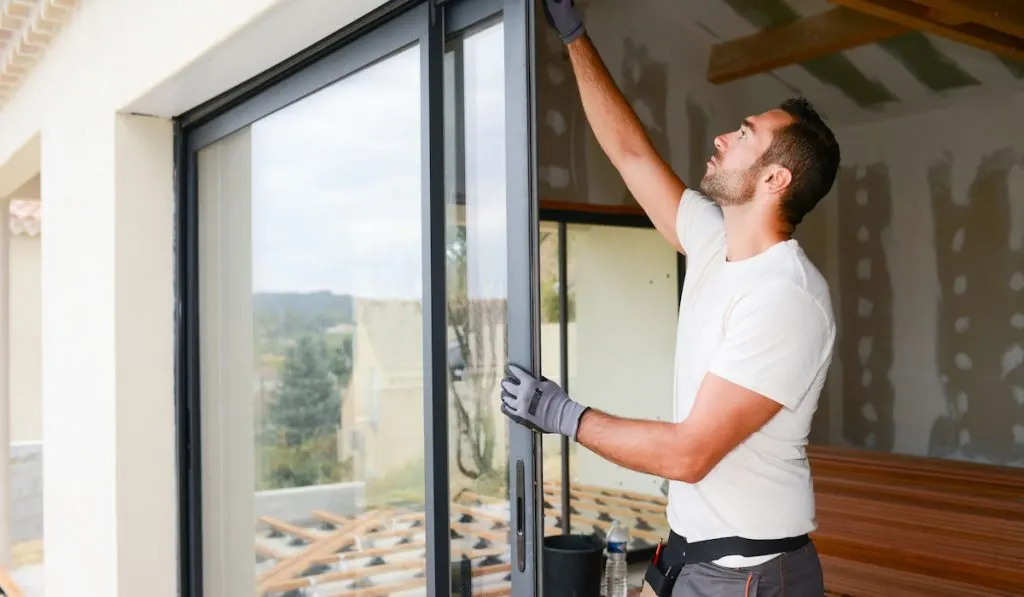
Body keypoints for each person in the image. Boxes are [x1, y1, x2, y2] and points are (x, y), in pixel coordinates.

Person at [498, 1, 841, 595]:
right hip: (692, 558)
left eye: (744, 135)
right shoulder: (714, 242)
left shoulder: (787, 297)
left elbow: (689, 455)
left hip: (750, 578)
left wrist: (564, 416)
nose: (722, 136)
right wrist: (573, 34)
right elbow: (630, 152)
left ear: (774, 179)